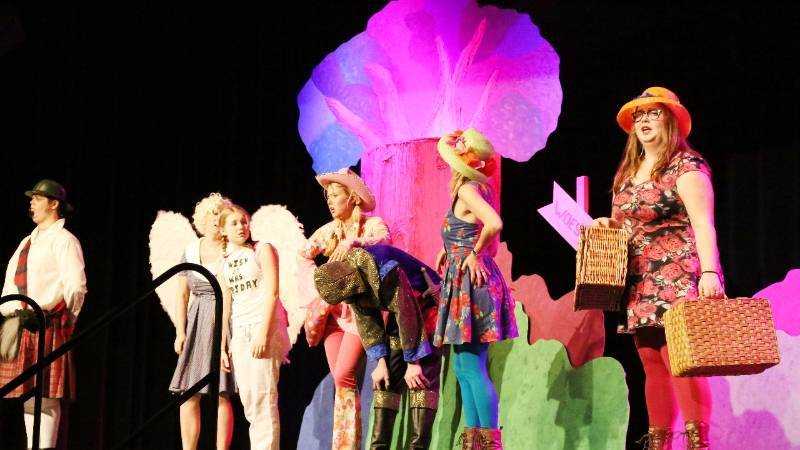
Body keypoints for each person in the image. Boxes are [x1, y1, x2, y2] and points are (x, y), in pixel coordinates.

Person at [593, 87, 723, 450]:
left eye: (653, 113)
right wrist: (608, 224)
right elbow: (626, 223)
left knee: (681, 359)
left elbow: (703, 223)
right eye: (639, 115)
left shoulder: (686, 166)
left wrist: (710, 272)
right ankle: (659, 443)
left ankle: (697, 443)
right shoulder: (627, 172)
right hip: (640, 278)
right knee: (650, 361)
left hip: (678, 275)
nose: (644, 120)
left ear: (671, 120)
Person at [432, 130, 518, 449]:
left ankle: (489, 442)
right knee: (462, 366)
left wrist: (474, 253)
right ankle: (474, 441)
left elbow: (493, 224)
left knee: (470, 365)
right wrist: (449, 249)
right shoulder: (474, 189)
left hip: (473, 283)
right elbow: (468, 229)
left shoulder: (468, 189)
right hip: (464, 280)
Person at [314, 244, 442, 450]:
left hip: (426, 305)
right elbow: (368, 325)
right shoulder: (351, 284)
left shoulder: (384, 270)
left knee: (420, 381)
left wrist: (413, 362)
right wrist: (380, 363)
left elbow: (407, 311)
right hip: (400, 318)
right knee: (385, 380)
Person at [300, 167, 391, 450]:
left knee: (343, 375)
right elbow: (302, 256)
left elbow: (385, 242)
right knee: (344, 383)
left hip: (359, 314)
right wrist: (319, 286)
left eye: (335, 195)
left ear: (352, 197)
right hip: (333, 316)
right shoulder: (328, 231)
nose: (330, 201)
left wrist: (354, 242)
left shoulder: (371, 225)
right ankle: (345, 445)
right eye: (327, 196)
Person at [0, 179, 87, 450]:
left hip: (48, 323)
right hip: (22, 323)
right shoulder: (27, 242)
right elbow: (9, 283)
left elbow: (76, 287)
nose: (32, 202)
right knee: (29, 394)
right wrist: (13, 312)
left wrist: (67, 321)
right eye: (32, 198)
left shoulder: (64, 240)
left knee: (46, 396)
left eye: (38, 198)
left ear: (54, 204)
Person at [218, 204, 290, 450]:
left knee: (263, 400)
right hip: (240, 332)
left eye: (244, 221)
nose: (241, 226)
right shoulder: (225, 261)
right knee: (249, 402)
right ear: (223, 230)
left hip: (263, 328)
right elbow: (226, 303)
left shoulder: (262, 249)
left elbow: (272, 292)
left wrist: (264, 333)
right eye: (234, 223)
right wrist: (222, 345)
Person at [168, 193, 235, 450]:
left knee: (221, 392)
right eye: (212, 215)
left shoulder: (232, 250)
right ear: (202, 219)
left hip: (225, 319)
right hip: (198, 320)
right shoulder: (191, 250)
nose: (216, 220)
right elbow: (182, 294)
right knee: (189, 391)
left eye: (221, 215)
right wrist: (180, 331)